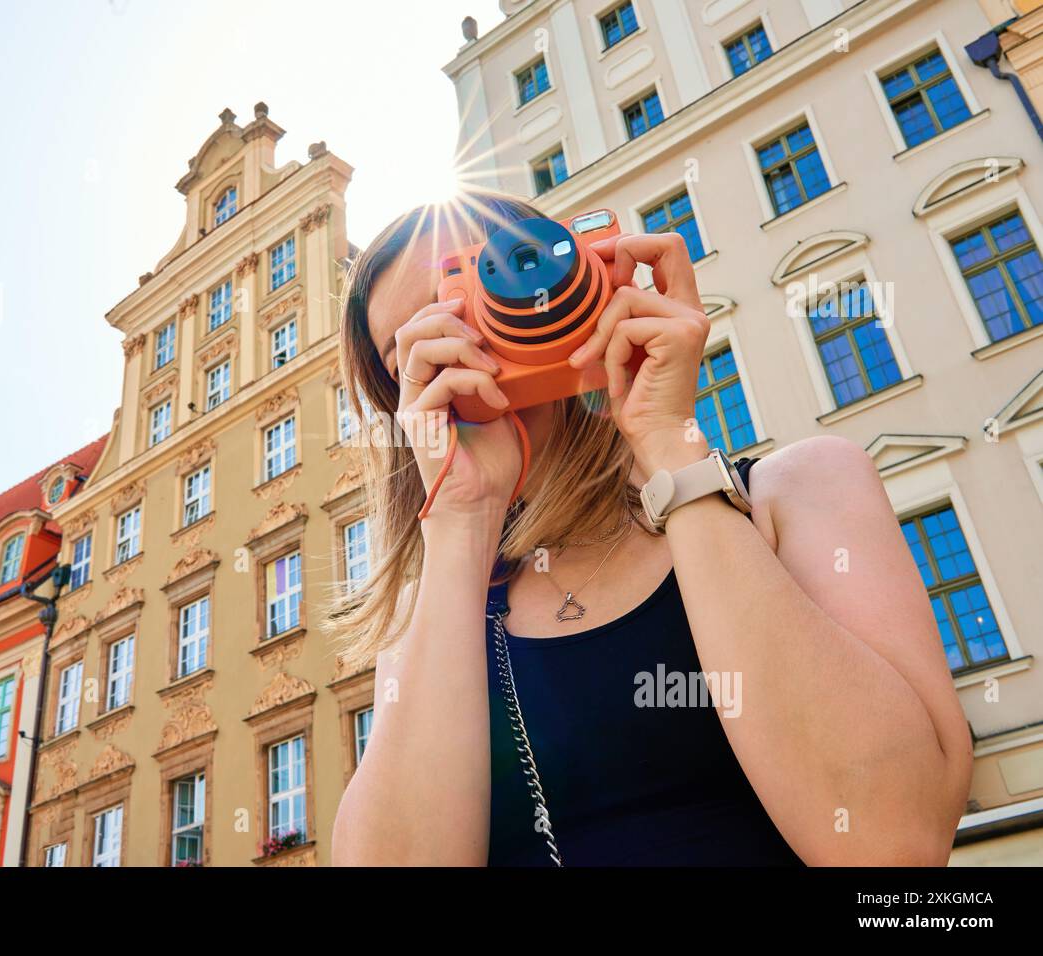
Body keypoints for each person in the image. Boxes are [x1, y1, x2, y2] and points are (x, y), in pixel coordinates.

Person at [327, 191, 972, 866]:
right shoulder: (432, 614)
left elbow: (891, 841)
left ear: (568, 276)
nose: (462, 347)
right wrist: (461, 522)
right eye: (419, 351)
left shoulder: (800, 491)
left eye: (481, 288)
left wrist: (669, 445)